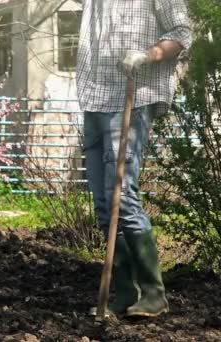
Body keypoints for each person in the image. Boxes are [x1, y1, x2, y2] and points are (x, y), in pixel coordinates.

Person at [76, 0, 192, 318]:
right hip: (93, 96)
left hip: (132, 93)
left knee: (121, 196)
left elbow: (183, 31)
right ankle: (125, 292)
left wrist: (149, 54)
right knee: (103, 204)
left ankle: (154, 293)